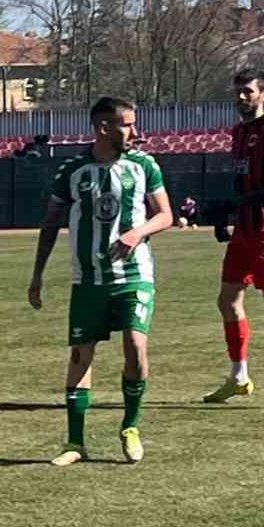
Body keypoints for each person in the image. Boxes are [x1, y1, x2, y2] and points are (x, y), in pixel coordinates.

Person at [28, 97, 173, 466]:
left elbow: (166, 215)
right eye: (127, 125)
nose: (135, 132)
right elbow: (50, 224)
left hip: (134, 274)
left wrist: (136, 233)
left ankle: (130, 426)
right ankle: (74, 443)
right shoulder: (73, 170)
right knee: (80, 355)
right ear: (104, 127)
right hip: (88, 278)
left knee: (135, 346)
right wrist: (37, 275)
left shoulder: (143, 165)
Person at [201, 69, 264, 403]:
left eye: (248, 91)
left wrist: (235, 204)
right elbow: (242, 181)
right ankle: (239, 377)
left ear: (262, 93)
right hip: (244, 228)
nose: (241, 97)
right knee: (227, 299)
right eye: (238, 91)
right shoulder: (239, 132)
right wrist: (227, 215)